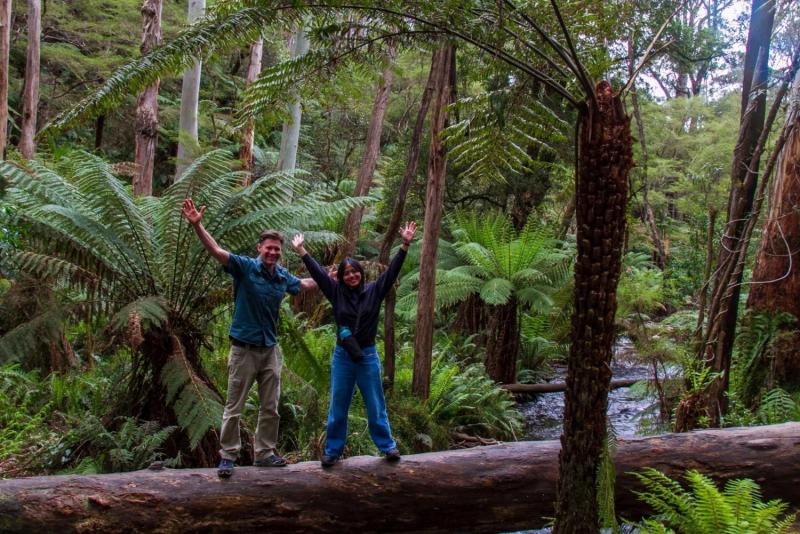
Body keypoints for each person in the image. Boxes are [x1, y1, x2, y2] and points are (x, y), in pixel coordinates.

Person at [181, 198, 316, 478]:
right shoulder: (244, 267)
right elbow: (216, 251)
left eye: (277, 249)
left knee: (270, 406)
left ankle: (264, 453)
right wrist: (197, 226)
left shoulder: (281, 277)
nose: (273, 252)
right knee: (234, 405)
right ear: (259, 248)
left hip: (269, 349)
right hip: (244, 349)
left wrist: (329, 278)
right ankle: (228, 455)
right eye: (269, 248)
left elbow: (304, 284)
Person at [291, 221, 417, 467]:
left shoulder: (374, 291)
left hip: (367, 356)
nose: (351, 276)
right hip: (343, 357)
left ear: (361, 273)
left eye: (355, 271)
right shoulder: (336, 292)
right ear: (341, 276)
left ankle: (387, 446)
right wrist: (302, 251)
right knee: (338, 405)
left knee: (375, 404)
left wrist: (404, 245)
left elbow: (391, 272)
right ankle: (332, 450)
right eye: (346, 273)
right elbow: (318, 275)